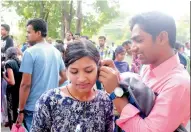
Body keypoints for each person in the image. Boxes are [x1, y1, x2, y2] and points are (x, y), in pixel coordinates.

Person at [98, 11, 190, 131]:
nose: (133, 48)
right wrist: (115, 74)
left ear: (162, 38)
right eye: (133, 41)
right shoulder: (148, 67)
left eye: (139, 40)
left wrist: (115, 93)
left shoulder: (179, 84)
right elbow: (139, 96)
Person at [30, 40, 114, 131]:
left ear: (99, 68)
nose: (81, 79)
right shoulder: (49, 100)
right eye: (74, 72)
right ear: (66, 70)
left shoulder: (105, 101)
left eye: (88, 71)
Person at [16, 18, 67, 131]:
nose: (26, 35)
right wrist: (51, 87)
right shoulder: (56, 52)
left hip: (34, 106)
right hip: (52, 103)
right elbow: (64, 77)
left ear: (38, 33)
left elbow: (25, 84)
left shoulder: (29, 52)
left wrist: (20, 109)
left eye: (29, 32)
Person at [3, 47, 22, 129]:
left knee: (12, 113)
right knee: (18, 113)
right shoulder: (20, 62)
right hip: (20, 91)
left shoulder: (9, 63)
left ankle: (14, 129)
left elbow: (12, 82)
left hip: (12, 91)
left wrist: (3, 76)